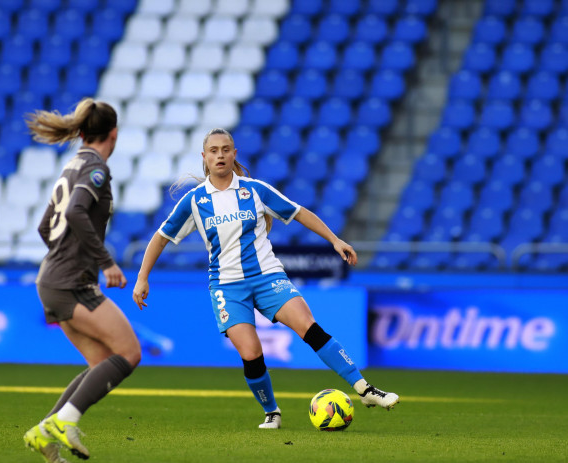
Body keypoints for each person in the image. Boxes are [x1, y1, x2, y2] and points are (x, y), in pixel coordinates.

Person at [132, 128, 399, 430]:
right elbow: (161, 237)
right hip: (227, 287)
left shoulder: (255, 190)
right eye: (214, 150)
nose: (220, 155)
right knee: (251, 352)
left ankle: (365, 389)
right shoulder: (194, 201)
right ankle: (272, 412)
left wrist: (334, 240)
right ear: (204, 157)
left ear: (234, 154)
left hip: (267, 275)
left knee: (308, 327)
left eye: (226, 149)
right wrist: (142, 277)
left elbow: (299, 212)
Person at [22, 98, 141, 462]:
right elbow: (74, 210)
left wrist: (66, 258)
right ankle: (64, 421)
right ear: (114, 133)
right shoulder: (96, 168)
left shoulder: (72, 164)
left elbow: (46, 225)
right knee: (130, 352)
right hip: (72, 281)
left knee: (102, 360)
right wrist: (104, 263)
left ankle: (45, 434)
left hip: (53, 278)